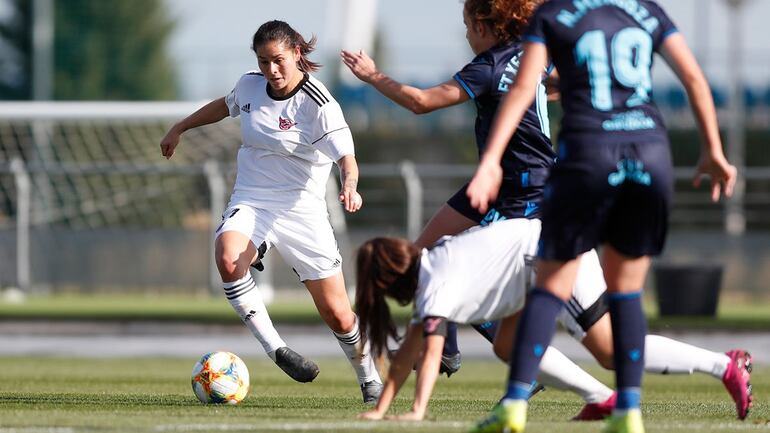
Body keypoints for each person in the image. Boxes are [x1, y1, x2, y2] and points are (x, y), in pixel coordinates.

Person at [466, 1, 742, 432]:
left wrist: (490, 162)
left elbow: (522, 90)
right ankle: (628, 411)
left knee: (550, 286)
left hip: (588, 152)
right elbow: (692, 77)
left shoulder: (554, 15)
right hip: (649, 152)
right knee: (627, 291)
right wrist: (713, 149)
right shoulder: (646, 12)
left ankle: (515, 404)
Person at [159, 20, 382, 403]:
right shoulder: (249, 85)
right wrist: (181, 127)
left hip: (303, 212)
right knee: (228, 258)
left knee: (340, 316)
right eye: (263, 62)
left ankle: (369, 378)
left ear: (297, 53)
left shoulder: (319, 103)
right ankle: (277, 349)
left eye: (278, 60)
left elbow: (348, 158)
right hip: (253, 199)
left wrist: (349, 184)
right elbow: (225, 106)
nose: (271, 70)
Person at [341, 0, 558, 376]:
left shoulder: (488, 67)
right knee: (423, 255)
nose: (467, 34)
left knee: (449, 262)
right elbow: (556, 84)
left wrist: (374, 76)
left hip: (521, 189)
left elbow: (421, 102)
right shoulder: (534, 57)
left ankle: (507, 357)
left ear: (485, 26)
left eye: (467, 26)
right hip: (498, 183)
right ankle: (448, 349)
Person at [353, 220, 753, 424]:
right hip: (532, 267)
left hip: (556, 253)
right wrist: (382, 408)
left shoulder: (434, 282)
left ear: (388, 280)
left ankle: (725, 365)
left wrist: (418, 410)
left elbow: (432, 347)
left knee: (611, 350)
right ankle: (602, 400)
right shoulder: (431, 269)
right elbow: (409, 352)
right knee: (508, 346)